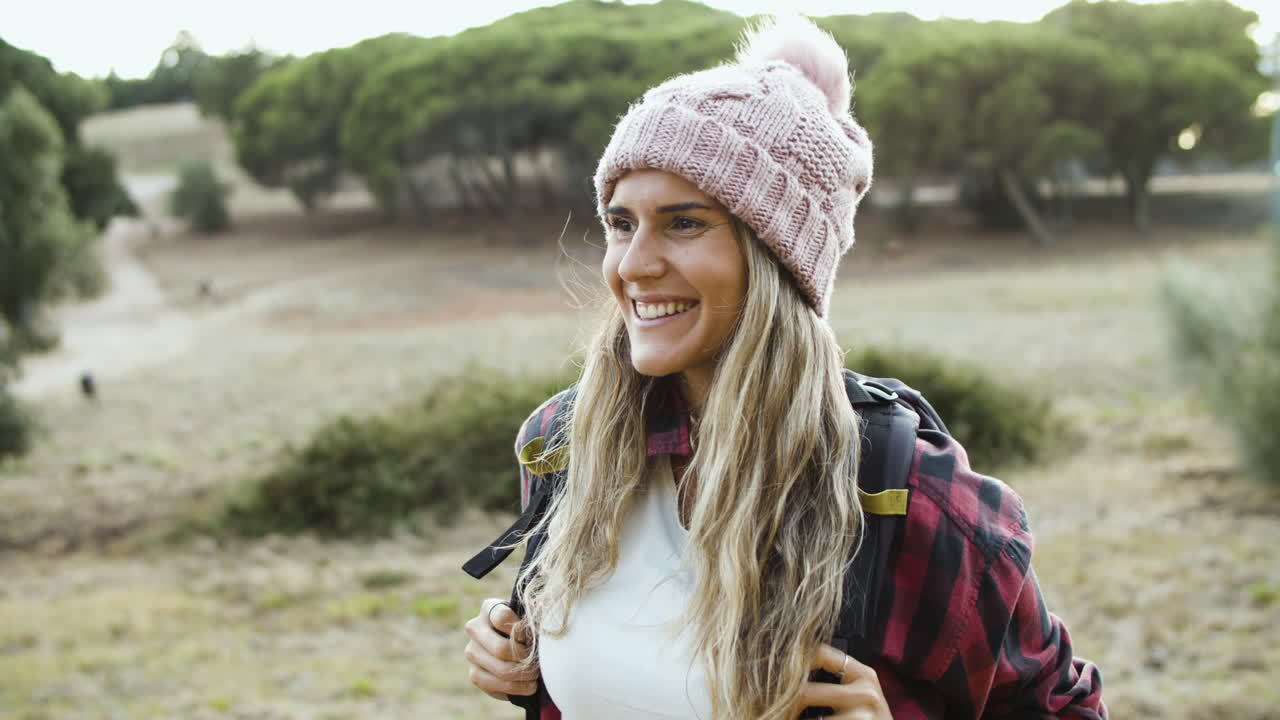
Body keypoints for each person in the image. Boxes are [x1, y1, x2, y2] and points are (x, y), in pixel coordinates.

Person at [463, 15, 1106, 720]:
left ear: (777, 260)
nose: (633, 265)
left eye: (685, 223)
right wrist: (528, 651)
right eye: (621, 223)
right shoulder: (566, 444)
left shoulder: (913, 501)